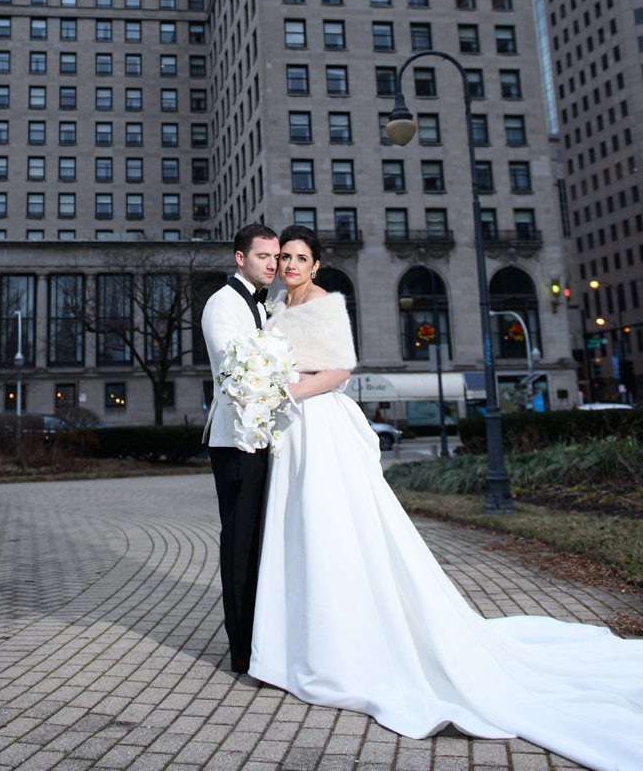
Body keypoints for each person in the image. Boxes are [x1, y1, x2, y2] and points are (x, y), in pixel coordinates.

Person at [250, 224, 643, 771]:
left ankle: (342, 643)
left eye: (300, 257)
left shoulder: (324, 303)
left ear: (316, 265)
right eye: (285, 257)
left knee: (331, 528)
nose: (290, 265)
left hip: (320, 426)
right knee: (300, 529)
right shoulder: (275, 304)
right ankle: (303, 639)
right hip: (293, 431)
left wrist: (286, 389)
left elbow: (341, 369)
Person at [201, 221, 280, 673]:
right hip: (235, 441)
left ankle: (257, 639)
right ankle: (241, 652)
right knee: (239, 544)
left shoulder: (262, 306)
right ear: (240, 258)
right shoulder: (222, 304)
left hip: (260, 438)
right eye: (263, 256)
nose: (272, 264)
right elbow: (239, 370)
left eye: (275, 257)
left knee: (256, 543)